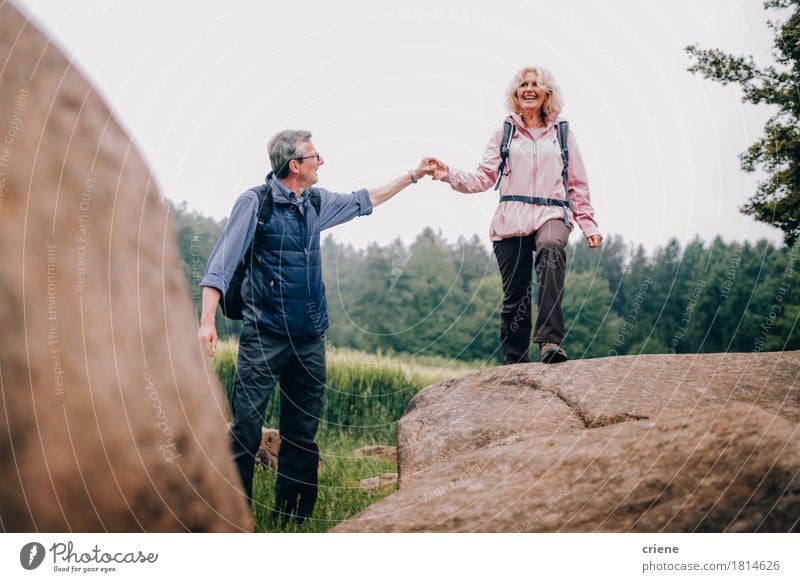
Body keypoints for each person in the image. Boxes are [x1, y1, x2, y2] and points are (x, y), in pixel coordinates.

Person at [198, 129, 432, 525]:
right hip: (265, 335)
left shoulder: (315, 203)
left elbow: (364, 200)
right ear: (295, 166)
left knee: (301, 433)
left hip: (309, 339)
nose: (321, 162)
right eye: (315, 156)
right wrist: (207, 321)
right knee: (245, 430)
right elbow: (221, 263)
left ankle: (293, 519)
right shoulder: (256, 204)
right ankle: (233, 515)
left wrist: (413, 175)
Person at [425, 66, 602, 365]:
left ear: (547, 93)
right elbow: (482, 178)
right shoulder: (503, 134)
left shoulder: (562, 133)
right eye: (523, 84)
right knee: (516, 294)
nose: (528, 88)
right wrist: (447, 174)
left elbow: (577, 183)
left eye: (536, 84)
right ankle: (515, 362)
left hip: (551, 212)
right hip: (512, 216)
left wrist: (588, 223)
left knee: (551, 248)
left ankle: (549, 342)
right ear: (516, 94)